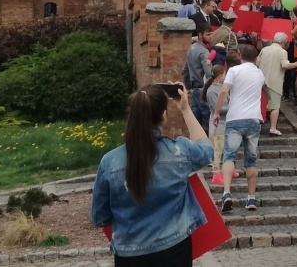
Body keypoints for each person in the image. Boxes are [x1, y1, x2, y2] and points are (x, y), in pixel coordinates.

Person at [91, 83, 213, 266]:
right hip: (175, 249)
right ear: (163, 116)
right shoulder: (180, 151)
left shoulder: (109, 162)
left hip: (128, 254)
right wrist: (186, 109)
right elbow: (206, 150)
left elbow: (100, 217)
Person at [212, 44, 266, 213]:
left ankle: (227, 193)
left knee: (229, 156)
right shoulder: (259, 73)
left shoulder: (234, 71)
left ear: (240, 55)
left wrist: (216, 112)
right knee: (251, 159)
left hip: (235, 118)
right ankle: (251, 198)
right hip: (254, 119)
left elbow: (223, 92)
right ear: (256, 58)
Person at [257, 32, 297, 136]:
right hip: (274, 81)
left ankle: (258, 121)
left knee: (261, 102)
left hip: (261, 79)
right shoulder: (282, 52)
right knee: (275, 105)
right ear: (284, 42)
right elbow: (285, 65)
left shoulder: (264, 49)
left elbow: (257, 62)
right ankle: (273, 127)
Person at [203, 66, 237, 186]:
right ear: (219, 76)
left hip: (226, 122)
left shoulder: (221, 88)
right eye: (224, 74)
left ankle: (227, 169)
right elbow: (217, 108)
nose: (225, 76)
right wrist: (232, 108)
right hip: (218, 124)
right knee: (218, 150)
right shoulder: (212, 91)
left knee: (227, 148)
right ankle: (216, 173)